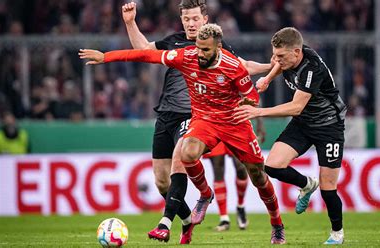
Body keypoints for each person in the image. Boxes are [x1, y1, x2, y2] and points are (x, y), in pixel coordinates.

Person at [79, 23, 286, 245]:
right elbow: (145, 55)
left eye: (205, 49)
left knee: (258, 177)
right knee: (187, 153)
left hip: (235, 123)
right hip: (204, 120)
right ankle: (205, 194)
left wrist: (248, 102)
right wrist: (106, 57)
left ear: (218, 48)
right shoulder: (185, 56)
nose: (199, 53)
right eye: (197, 47)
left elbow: (252, 96)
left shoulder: (233, 66)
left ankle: (277, 224)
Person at [120, 0, 270, 243]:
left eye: (195, 19)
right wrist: (130, 23)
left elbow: (244, 67)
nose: (190, 24)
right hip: (166, 114)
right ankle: (187, 220)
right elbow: (144, 50)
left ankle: (164, 224)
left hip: (195, 115)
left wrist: (273, 66)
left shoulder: (216, 46)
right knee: (161, 181)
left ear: (205, 20)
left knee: (181, 162)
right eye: (186, 19)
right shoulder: (174, 41)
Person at [233, 27, 347, 245]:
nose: (276, 59)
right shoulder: (289, 56)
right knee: (273, 165)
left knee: (328, 188)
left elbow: (296, 107)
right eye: (274, 54)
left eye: (281, 56)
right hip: (304, 124)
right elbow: (279, 65)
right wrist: (267, 78)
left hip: (328, 127)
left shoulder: (312, 69)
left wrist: (259, 112)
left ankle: (337, 233)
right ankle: (306, 184)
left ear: (297, 52)